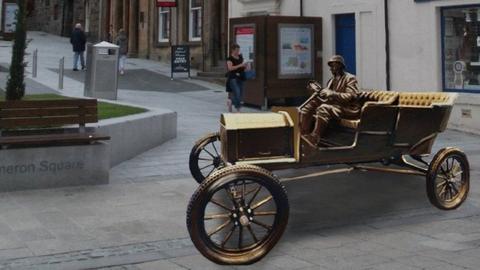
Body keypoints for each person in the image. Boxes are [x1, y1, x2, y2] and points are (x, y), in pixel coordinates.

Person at [299, 55, 361, 147]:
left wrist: (332, 93)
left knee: (324, 108)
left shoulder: (350, 78)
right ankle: (303, 134)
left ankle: (315, 137)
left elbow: (351, 96)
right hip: (336, 106)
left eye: (334, 66)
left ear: (340, 66)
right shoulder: (331, 81)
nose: (331, 69)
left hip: (348, 109)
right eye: (330, 66)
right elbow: (327, 97)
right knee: (309, 105)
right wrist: (318, 92)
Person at [226, 43, 248, 112]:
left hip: (241, 77)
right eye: (236, 50)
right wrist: (240, 65)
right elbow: (230, 68)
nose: (238, 51)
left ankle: (231, 102)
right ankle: (238, 109)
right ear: (232, 50)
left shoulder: (240, 57)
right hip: (233, 78)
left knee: (240, 94)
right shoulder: (230, 58)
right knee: (237, 93)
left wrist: (245, 66)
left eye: (239, 50)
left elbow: (243, 67)